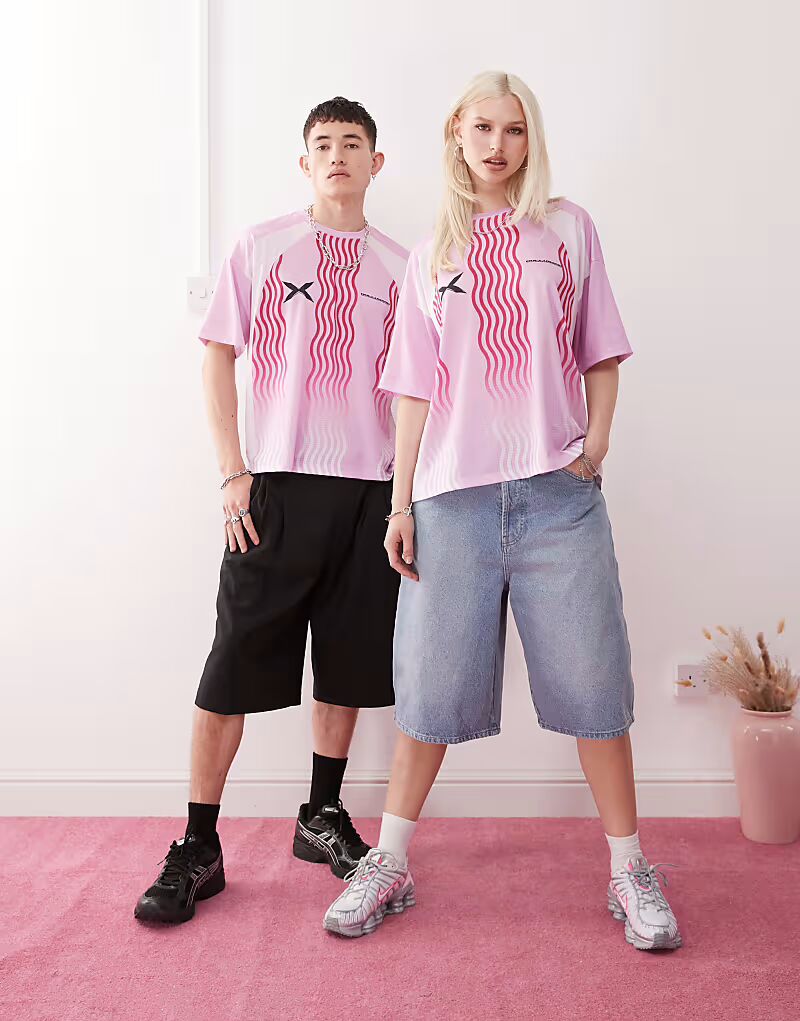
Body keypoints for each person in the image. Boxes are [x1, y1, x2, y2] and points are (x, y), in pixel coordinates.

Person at [322, 71, 682, 952]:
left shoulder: (568, 229)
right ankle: (390, 860)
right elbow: (412, 389)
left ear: (531, 139)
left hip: (560, 496)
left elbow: (601, 352)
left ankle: (630, 867)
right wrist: (401, 503)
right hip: (451, 500)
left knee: (597, 685)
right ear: (457, 130)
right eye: (482, 127)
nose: (497, 145)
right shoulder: (430, 252)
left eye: (514, 130)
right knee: (429, 690)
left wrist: (594, 449)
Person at [135, 97, 408, 925]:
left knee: (348, 664)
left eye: (352, 143)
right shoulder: (260, 247)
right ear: (304, 162)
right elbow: (218, 356)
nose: (337, 156)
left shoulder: (402, 266)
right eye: (323, 144)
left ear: (376, 163)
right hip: (274, 491)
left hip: (369, 492)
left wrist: (404, 498)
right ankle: (198, 844)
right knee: (232, 666)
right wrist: (233, 472)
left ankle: (322, 813)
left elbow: (413, 391)